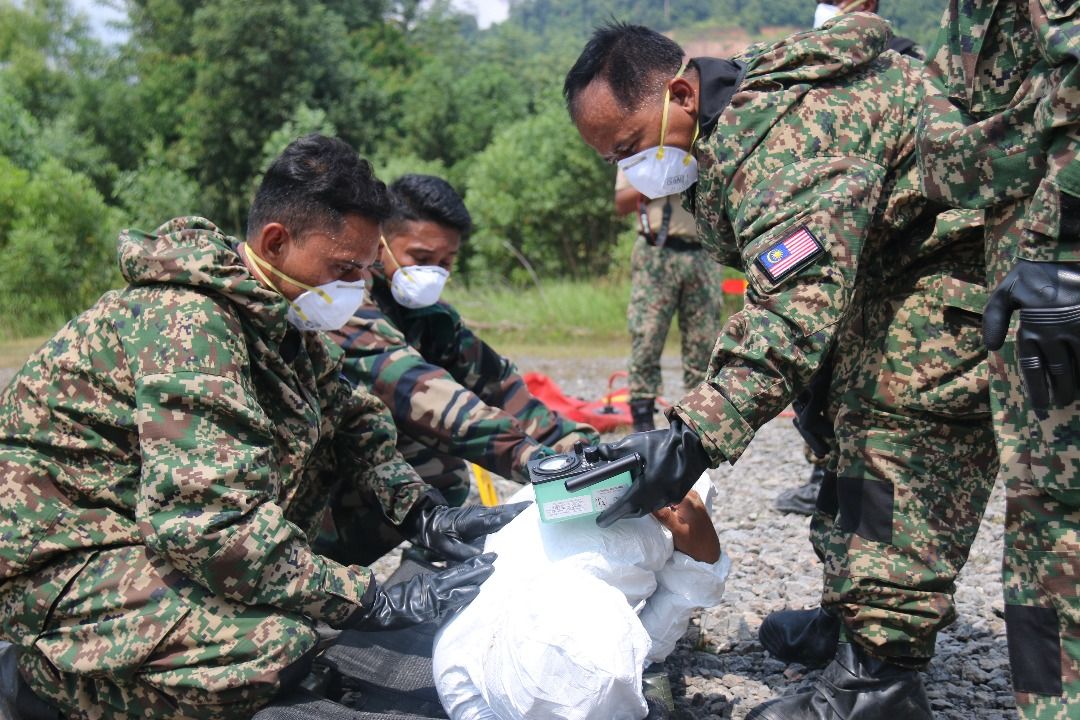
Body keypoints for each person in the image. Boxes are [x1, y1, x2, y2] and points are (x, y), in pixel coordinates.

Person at [0, 135, 525, 719]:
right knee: (270, 650)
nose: (356, 288)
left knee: (302, 608)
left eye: (366, 271)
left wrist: (422, 512)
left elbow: (352, 418)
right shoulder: (190, 324)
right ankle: (37, 682)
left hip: (141, 529)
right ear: (277, 241)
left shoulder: (277, 314)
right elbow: (209, 525)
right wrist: (370, 598)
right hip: (59, 558)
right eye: (344, 268)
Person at [563, 17, 997, 718]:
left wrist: (689, 439)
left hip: (956, 272)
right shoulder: (730, 127)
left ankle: (880, 679)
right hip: (888, 270)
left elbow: (791, 312)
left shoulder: (777, 137)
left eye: (631, 145)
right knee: (829, 418)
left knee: (897, 429)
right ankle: (856, 619)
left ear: (679, 92)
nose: (630, 170)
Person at [917, 0, 1080, 715]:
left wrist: (1063, 248)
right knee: (1043, 501)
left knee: (1055, 508)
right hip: (1029, 249)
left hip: (1056, 255)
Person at [324, 174, 598, 566]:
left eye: (445, 263)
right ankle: (308, 579)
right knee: (436, 461)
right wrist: (534, 461)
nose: (432, 272)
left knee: (440, 473)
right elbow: (426, 394)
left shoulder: (431, 319)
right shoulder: (342, 299)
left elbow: (500, 388)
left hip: (353, 467)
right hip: (298, 484)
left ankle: (424, 578)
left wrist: (582, 451)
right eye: (420, 258)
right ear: (379, 242)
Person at [773, 0, 927, 519]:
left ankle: (875, 513)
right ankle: (823, 476)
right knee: (814, 381)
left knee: (873, 394)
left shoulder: (907, 65)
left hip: (884, 258)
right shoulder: (809, 70)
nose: (825, 9)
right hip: (825, 246)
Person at [433, 476, 729, 720]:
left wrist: (701, 554)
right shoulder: (460, 683)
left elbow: (665, 623)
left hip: (621, 517)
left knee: (690, 502)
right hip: (549, 499)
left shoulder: (460, 683)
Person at [614, 168, 725, 432]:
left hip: (703, 254)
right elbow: (621, 203)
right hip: (656, 251)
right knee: (647, 334)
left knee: (704, 340)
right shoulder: (643, 154)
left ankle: (697, 424)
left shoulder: (705, 144)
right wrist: (662, 180)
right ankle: (642, 422)